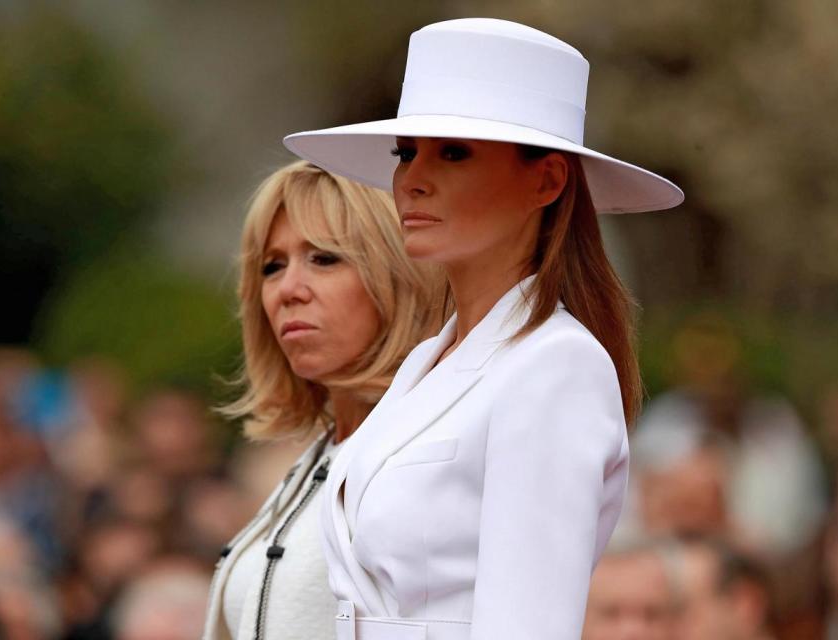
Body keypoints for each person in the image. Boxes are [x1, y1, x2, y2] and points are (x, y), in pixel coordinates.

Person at [283, 18, 683, 639]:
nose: (412, 178)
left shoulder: (555, 365)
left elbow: (527, 626)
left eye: (454, 152)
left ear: (546, 181)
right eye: (406, 151)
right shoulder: (424, 365)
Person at [201, 161, 443, 640]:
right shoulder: (323, 451)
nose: (288, 290)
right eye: (272, 266)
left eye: (324, 258)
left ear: (399, 274)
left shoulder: (434, 448)